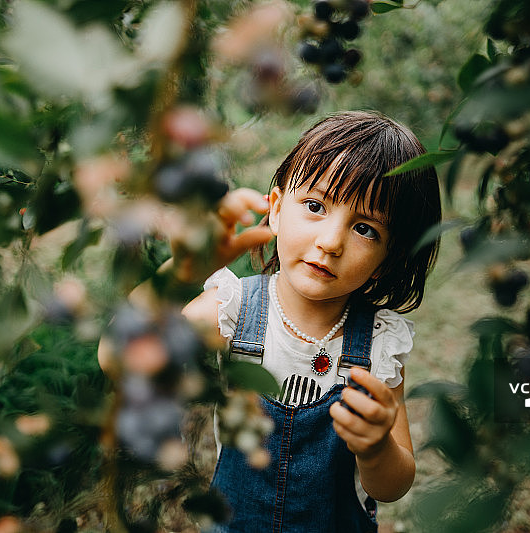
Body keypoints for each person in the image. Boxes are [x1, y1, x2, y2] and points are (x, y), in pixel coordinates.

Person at [180, 111, 442, 533]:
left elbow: (393, 486)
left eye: (365, 229)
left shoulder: (378, 345)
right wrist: (176, 277)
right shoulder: (232, 309)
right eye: (316, 206)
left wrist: (376, 450)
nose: (331, 242)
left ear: (386, 260)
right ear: (276, 209)